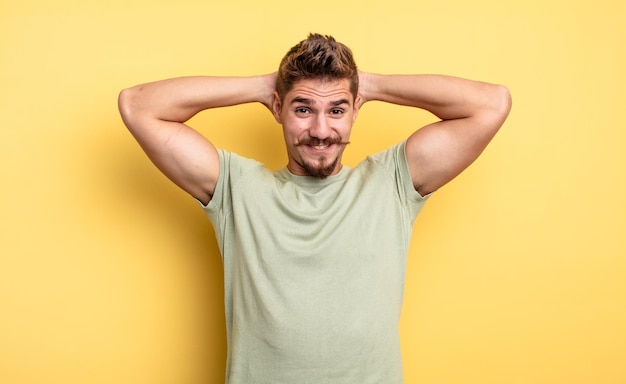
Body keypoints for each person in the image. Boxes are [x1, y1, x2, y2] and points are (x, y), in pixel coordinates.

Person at [118, 33, 511, 384]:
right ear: (277, 109)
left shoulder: (391, 182)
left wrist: (368, 85)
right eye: (303, 109)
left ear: (356, 109)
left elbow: (492, 103)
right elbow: (137, 105)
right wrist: (263, 85)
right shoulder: (237, 188)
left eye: (337, 110)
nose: (321, 130)